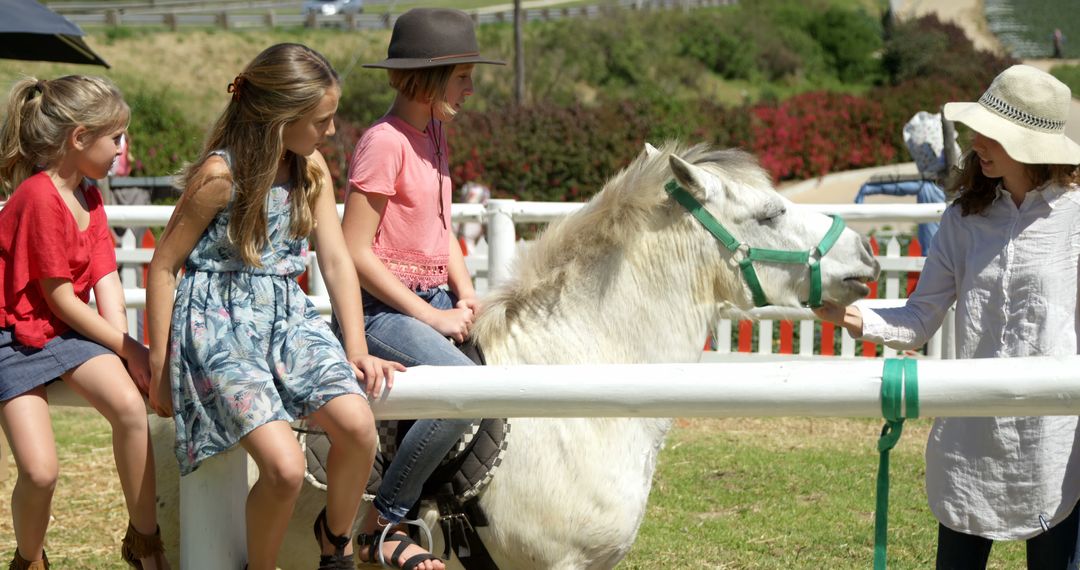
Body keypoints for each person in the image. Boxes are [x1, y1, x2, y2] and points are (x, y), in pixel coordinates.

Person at [144, 43, 402, 570]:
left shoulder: (312, 169)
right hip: (218, 323)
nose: (331, 131)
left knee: (357, 427)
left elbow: (334, 260)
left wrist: (357, 347)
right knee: (284, 470)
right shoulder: (219, 178)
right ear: (280, 118)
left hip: (287, 314)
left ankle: (335, 543)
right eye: (322, 120)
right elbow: (164, 266)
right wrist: (159, 363)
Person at [816, 64, 1080, 569]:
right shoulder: (962, 219)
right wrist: (846, 316)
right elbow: (919, 318)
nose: (976, 141)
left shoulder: (1077, 217)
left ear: (1029, 143)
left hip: (1053, 444)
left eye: (992, 134)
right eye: (979, 128)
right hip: (970, 439)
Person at [339, 8, 504, 569]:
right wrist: (433, 319)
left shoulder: (433, 130)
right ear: (431, 79)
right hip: (380, 311)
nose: (471, 86)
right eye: (462, 75)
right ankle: (383, 522)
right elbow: (354, 251)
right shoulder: (383, 143)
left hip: (430, 297)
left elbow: (440, 226)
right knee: (463, 393)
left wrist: (465, 290)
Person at [0, 76, 168, 569]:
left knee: (130, 411)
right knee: (41, 472)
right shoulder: (36, 196)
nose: (123, 148)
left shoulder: (89, 196)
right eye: (115, 137)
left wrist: (127, 349)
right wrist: (129, 348)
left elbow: (105, 278)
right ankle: (29, 559)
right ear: (78, 138)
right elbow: (60, 299)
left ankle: (145, 545)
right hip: (13, 335)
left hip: (61, 332)